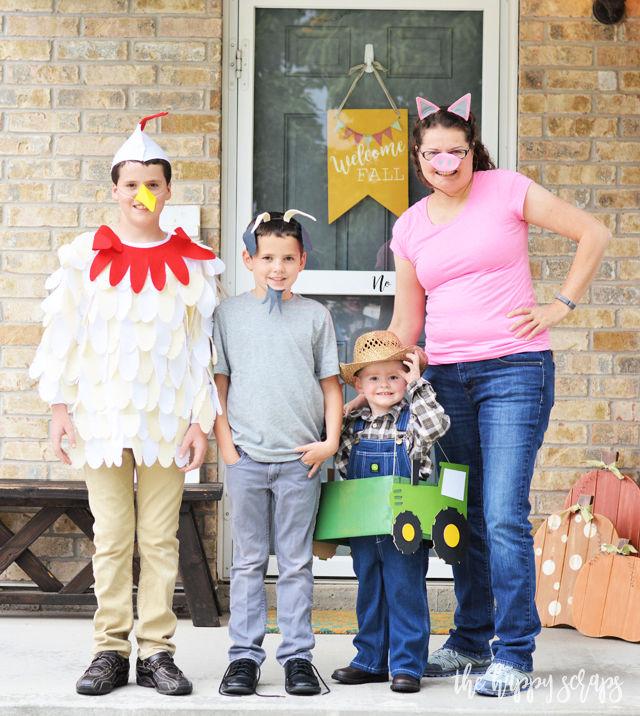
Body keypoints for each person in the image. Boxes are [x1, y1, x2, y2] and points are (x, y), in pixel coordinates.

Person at [346, 92, 610, 697]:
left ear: (471, 151)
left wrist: (559, 305)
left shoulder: (507, 189)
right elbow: (407, 320)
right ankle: (470, 639)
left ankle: (514, 651)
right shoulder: (410, 225)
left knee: (501, 512)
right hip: (444, 388)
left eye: (455, 151)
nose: (445, 162)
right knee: (459, 511)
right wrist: (365, 384)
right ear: (419, 159)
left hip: (514, 373)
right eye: (433, 153)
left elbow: (592, 233)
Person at [30, 112, 225, 697]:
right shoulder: (84, 255)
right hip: (102, 417)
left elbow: (202, 349)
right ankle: (110, 649)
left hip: (166, 420)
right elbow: (62, 335)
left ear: (168, 190)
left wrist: (201, 420)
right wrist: (60, 409)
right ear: (114, 189)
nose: (142, 194)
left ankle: (158, 652)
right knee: (113, 536)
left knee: (160, 538)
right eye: (131, 182)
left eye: (154, 183)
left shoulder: (193, 262)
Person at [213, 211, 342, 696]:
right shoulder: (228, 315)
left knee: (294, 561)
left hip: (300, 459)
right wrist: (226, 444)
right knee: (248, 561)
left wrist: (328, 443)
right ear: (248, 259)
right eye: (267, 257)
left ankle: (297, 658)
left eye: (288, 258)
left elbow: (330, 387)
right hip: (246, 456)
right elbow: (219, 384)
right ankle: (244, 657)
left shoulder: (315, 316)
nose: (278, 266)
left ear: (302, 260)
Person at [330, 331, 450, 693]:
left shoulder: (412, 420)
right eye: (374, 378)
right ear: (359, 383)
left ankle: (407, 664)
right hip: (365, 524)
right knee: (370, 590)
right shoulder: (354, 424)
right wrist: (348, 407)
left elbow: (437, 425)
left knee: (404, 591)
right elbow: (340, 462)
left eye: (394, 376)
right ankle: (370, 659)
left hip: (405, 527)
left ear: (406, 377)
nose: (385, 385)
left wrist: (417, 385)